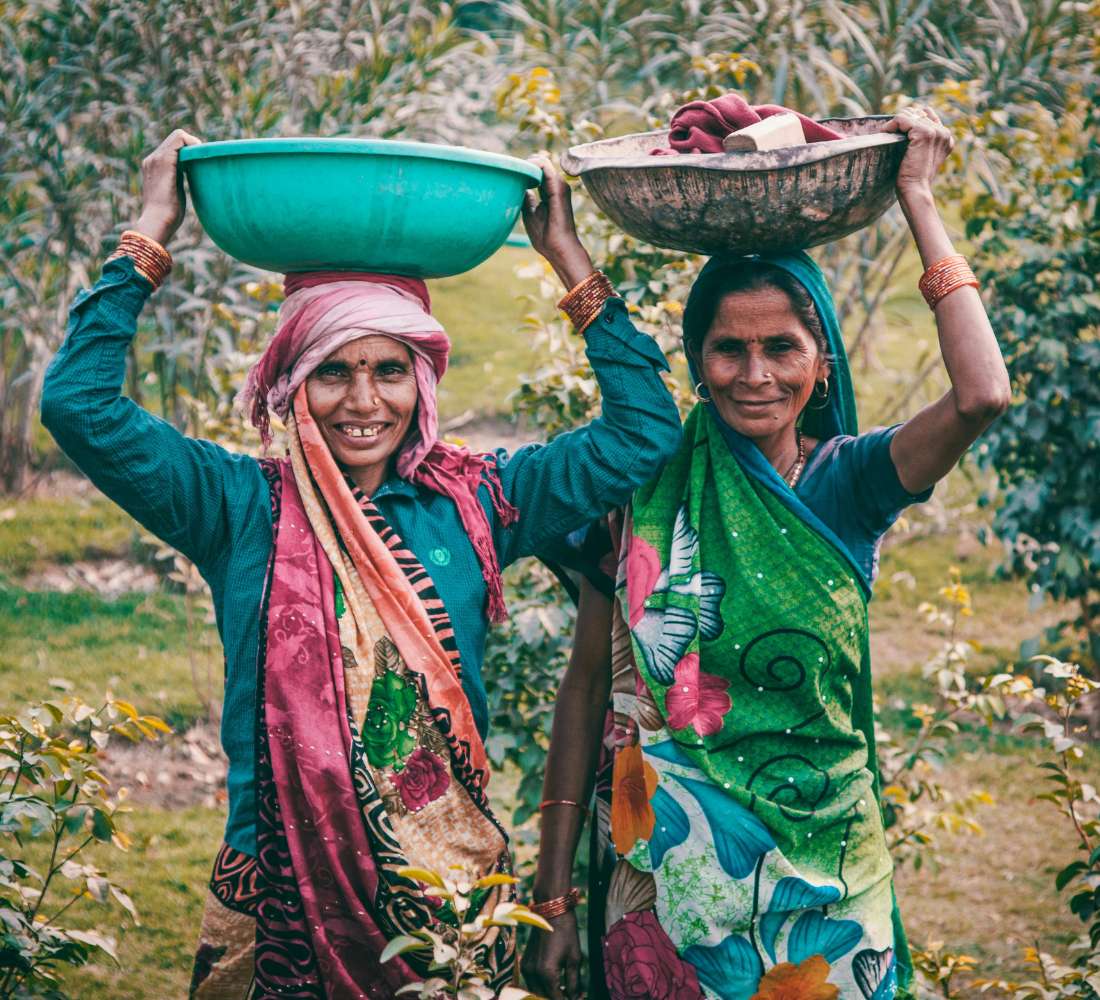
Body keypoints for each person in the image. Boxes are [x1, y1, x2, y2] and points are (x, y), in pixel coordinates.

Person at [40, 132, 682, 998]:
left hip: (446, 903)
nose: (363, 401)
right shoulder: (235, 507)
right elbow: (78, 405)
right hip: (278, 903)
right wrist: (151, 230)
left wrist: (566, 256)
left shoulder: (479, 500)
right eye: (332, 371)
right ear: (291, 382)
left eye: (389, 370)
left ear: (422, 382)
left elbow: (644, 430)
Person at [522, 104, 1010, 1000]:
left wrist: (920, 199)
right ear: (697, 362)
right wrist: (552, 895)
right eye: (727, 350)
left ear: (821, 362)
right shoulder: (651, 480)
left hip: (829, 874)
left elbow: (981, 395)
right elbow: (588, 682)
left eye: (781, 348)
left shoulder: (850, 482)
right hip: (667, 882)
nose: (756, 376)